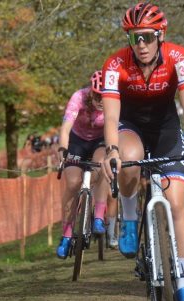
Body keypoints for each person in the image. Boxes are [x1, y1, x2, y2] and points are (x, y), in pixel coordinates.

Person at [100, 2, 184, 301]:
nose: (141, 45)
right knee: (128, 160)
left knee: (176, 204)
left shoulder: (178, 57)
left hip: (166, 128)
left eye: (147, 36)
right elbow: (109, 116)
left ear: (160, 35)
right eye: (135, 38)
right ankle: (130, 218)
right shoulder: (115, 63)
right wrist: (111, 151)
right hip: (130, 126)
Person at [56, 71, 116, 259]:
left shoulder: (112, 102)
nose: (100, 99)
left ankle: (99, 214)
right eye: (97, 94)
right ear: (91, 91)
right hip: (77, 141)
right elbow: (65, 128)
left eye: (103, 95)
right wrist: (62, 150)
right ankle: (65, 235)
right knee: (73, 183)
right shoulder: (79, 97)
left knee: (101, 165)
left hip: (100, 141)